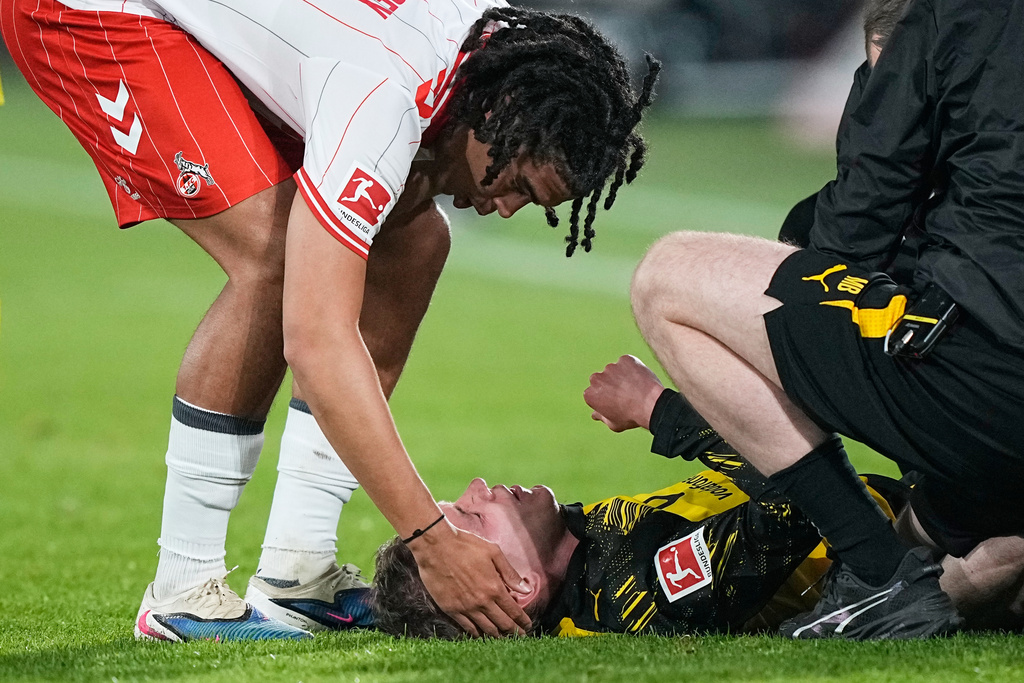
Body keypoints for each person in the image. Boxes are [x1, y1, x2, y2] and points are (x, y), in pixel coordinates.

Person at [0, 0, 659, 641]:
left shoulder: (490, 54)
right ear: (501, 114)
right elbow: (315, 340)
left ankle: (298, 568)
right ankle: (183, 586)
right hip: (88, 9)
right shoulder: (384, 97)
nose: (507, 208)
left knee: (417, 242)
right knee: (276, 260)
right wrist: (430, 537)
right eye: (516, 182)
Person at [628, 0, 1024, 640]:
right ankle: (946, 564)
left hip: (992, 390)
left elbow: (855, 232)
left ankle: (876, 574)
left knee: (667, 278)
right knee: (941, 529)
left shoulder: (941, 17)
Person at [373, 355, 1022, 638]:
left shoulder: (586, 539)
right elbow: (795, 499)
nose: (475, 489)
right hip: (910, 558)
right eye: (466, 517)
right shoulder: (640, 591)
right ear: (516, 586)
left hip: (920, 502)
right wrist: (660, 410)